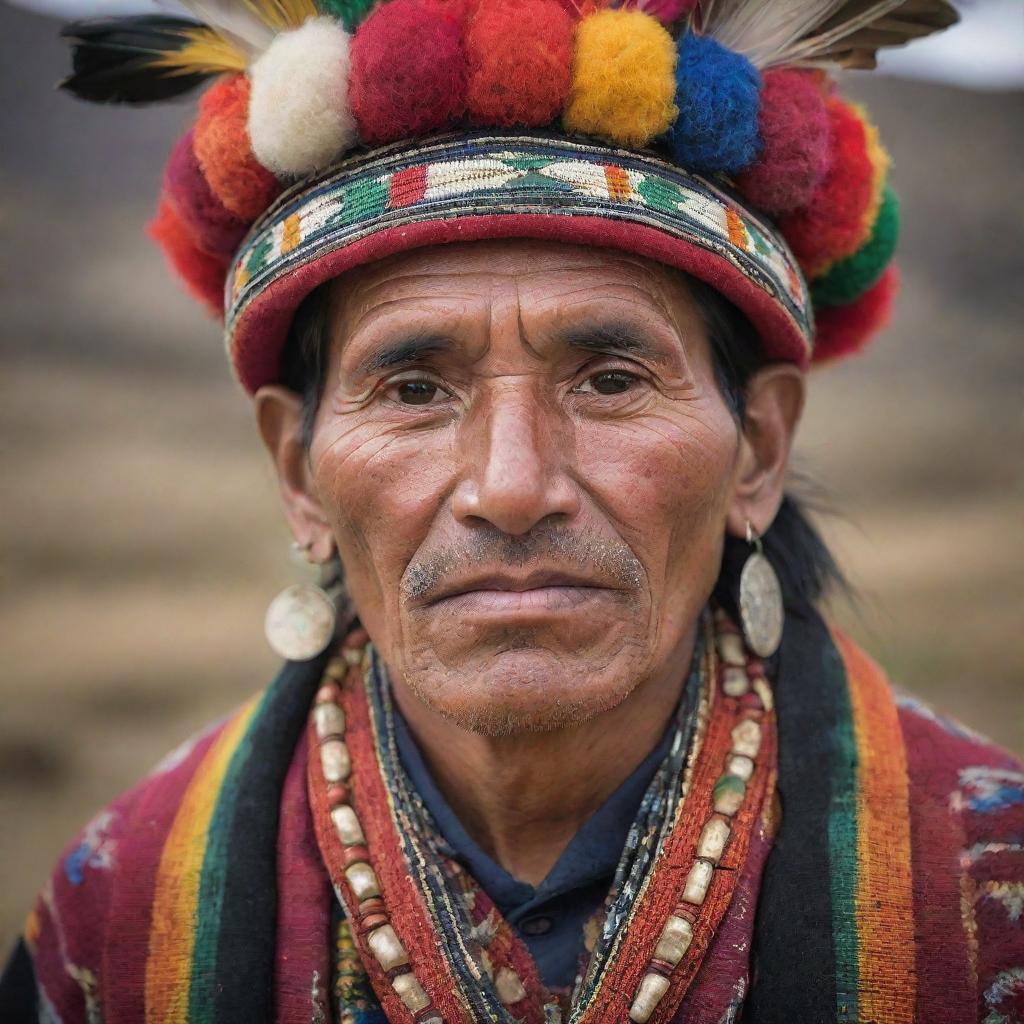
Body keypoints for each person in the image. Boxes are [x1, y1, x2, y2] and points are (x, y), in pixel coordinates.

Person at [2, 1, 1021, 1021]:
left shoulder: (995, 899)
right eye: (412, 390)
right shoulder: (117, 917)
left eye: (612, 379)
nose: (512, 487)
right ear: (298, 474)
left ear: (758, 447)